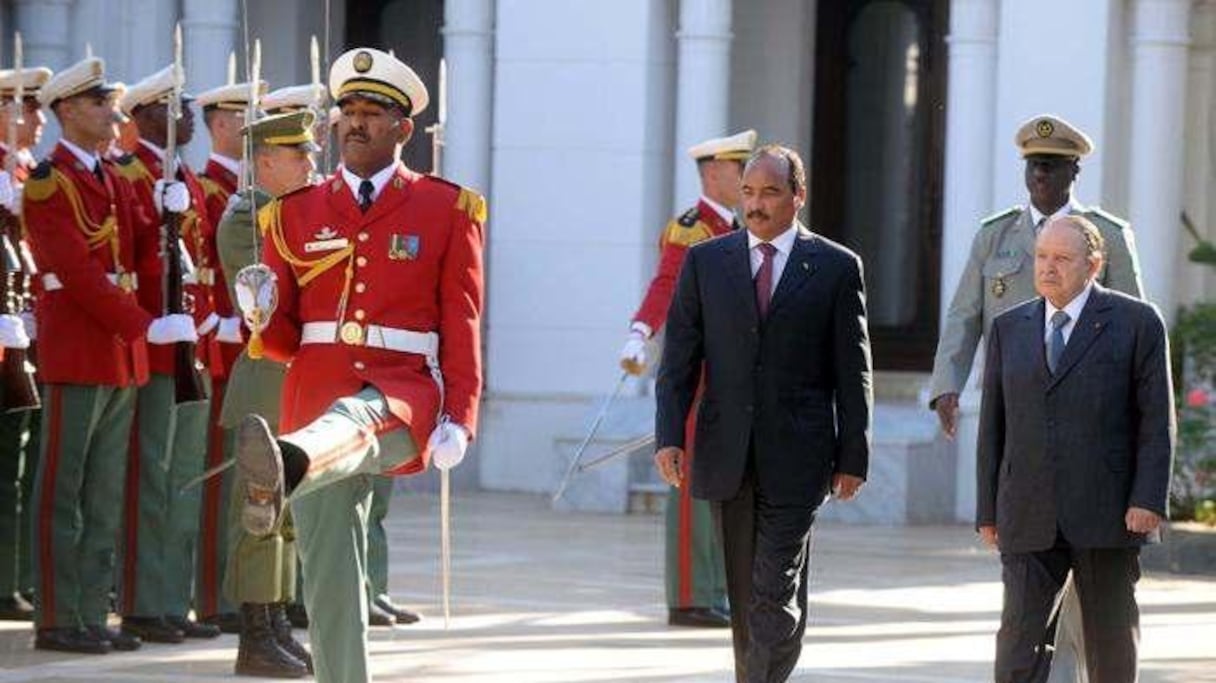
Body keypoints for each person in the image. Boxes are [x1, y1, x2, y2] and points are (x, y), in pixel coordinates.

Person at [232, 47, 485, 683]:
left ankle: (286, 464)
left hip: (402, 391)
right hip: (311, 392)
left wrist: (462, 414)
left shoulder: (448, 208)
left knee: (356, 417)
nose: (355, 123)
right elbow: (285, 339)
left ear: (404, 129)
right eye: (347, 111)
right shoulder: (291, 213)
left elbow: (463, 321)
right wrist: (258, 313)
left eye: (373, 113)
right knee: (329, 571)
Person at [927, 114, 1145, 681]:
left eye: (1051, 166)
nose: (1040, 176)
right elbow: (964, 314)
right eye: (1033, 166)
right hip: (1023, 428)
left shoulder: (1109, 236)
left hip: (1094, 439)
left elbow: (1139, 331)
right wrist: (946, 383)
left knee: (1096, 609)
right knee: (1025, 611)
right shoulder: (995, 235)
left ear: (1074, 171)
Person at [655, 144, 872, 683]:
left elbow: (854, 370)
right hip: (728, 452)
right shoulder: (707, 262)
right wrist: (668, 437)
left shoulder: (836, 268)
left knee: (772, 589)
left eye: (770, 193)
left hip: (800, 455)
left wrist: (854, 455)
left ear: (797, 197)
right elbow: (680, 357)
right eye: (749, 192)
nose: (756, 205)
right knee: (751, 593)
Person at [23, 56, 198, 654]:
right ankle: (57, 615)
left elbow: (141, 248)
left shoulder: (111, 174)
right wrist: (144, 327)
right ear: (67, 111)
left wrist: (172, 213)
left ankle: (91, 612)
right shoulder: (50, 181)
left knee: (103, 493)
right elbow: (76, 273)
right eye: (99, 104)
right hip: (79, 347)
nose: (111, 113)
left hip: (119, 351)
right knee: (63, 489)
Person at [977, 214, 1174, 683]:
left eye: (1062, 259)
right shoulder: (1008, 328)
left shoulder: (1137, 323)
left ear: (1094, 264)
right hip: (1027, 511)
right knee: (1017, 642)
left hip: (1107, 513)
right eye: (1042, 257)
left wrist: (1147, 499)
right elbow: (993, 427)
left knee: (1110, 642)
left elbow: (1156, 419)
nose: (1048, 267)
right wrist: (988, 510)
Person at [621, 129, 756, 628]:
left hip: (732, 376)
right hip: (697, 375)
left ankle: (714, 587)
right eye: (740, 171)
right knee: (691, 486)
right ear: (714, 173)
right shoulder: (692, 229)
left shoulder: (735, 228)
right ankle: (689, 595)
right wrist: (639, 332)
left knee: (723, 485)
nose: (746, 181)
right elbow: (666, 285)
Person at [113, 64, 220, 644]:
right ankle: (142, 602)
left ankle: (172, 600)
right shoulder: (131, 175)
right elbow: (129, 260)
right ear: (147, 115)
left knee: (182, 479)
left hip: (191, 343)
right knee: (149, 478)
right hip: (157, 346)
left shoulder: (187, 179)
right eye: (176, 108)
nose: (187, 118)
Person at [216, 109, 318, 679]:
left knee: (286, 517)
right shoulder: (246, 221)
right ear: (265, 162)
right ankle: (253, 634)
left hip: (298, 381)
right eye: (298, 155)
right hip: (266, 380)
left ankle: (275, 622)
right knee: (260, 512)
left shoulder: (295, 214)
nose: (311, 163)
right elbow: (274, 297)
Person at [193, 78, 266, 635]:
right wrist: (213, 321)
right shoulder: (205, 187)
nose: (251, 130)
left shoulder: (247, 190)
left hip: (245, 339)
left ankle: (239, 593)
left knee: (247, 478)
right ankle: (216, 596)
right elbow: (203, 264)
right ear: (219, 124)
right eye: (244, 120)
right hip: (218, 343)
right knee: (221, 480)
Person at [0, 63, 51, 622]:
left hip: (28, 329)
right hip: (4, 330)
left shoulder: (26, 169)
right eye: (23, 107)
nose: (34, 118)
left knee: (22, 459)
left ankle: (16, 577)